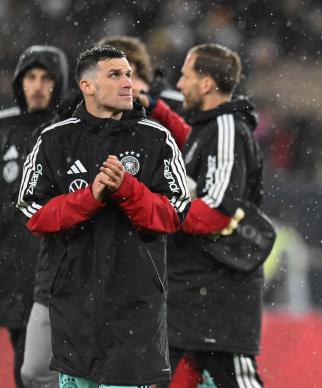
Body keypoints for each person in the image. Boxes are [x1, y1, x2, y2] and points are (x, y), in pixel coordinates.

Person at [16, 45, 190, 387]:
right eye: (116, 74)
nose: (128, 82)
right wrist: (89, 198)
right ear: (88, 86)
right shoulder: (54, 140)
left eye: (128, 74)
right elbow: (34, 214)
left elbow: (173, 215)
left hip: (135, 308)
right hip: (74, 307)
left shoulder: (157, 139)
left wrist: (128, 190)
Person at [166, 43, 264, 388]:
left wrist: (155, 209)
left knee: (238, 380)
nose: (179, 84)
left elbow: (217, 212)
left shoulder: (225, 127)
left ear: (206, 83)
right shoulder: (207, 128)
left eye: (186, 75)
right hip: (192, 288)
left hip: (218, 291)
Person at [0, 45, 68, 388]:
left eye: (47, 78)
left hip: (58, 266)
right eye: (31, 77)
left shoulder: (72, 131)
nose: (38, 85)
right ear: (19, 82)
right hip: (11, 266)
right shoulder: (4, 129)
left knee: (48, 365)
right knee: (24, 359)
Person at [97, 36, 191, 149]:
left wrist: (157, 110)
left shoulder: (177, 102)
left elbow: (195, 148)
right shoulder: (100, 105)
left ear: (131, 65)